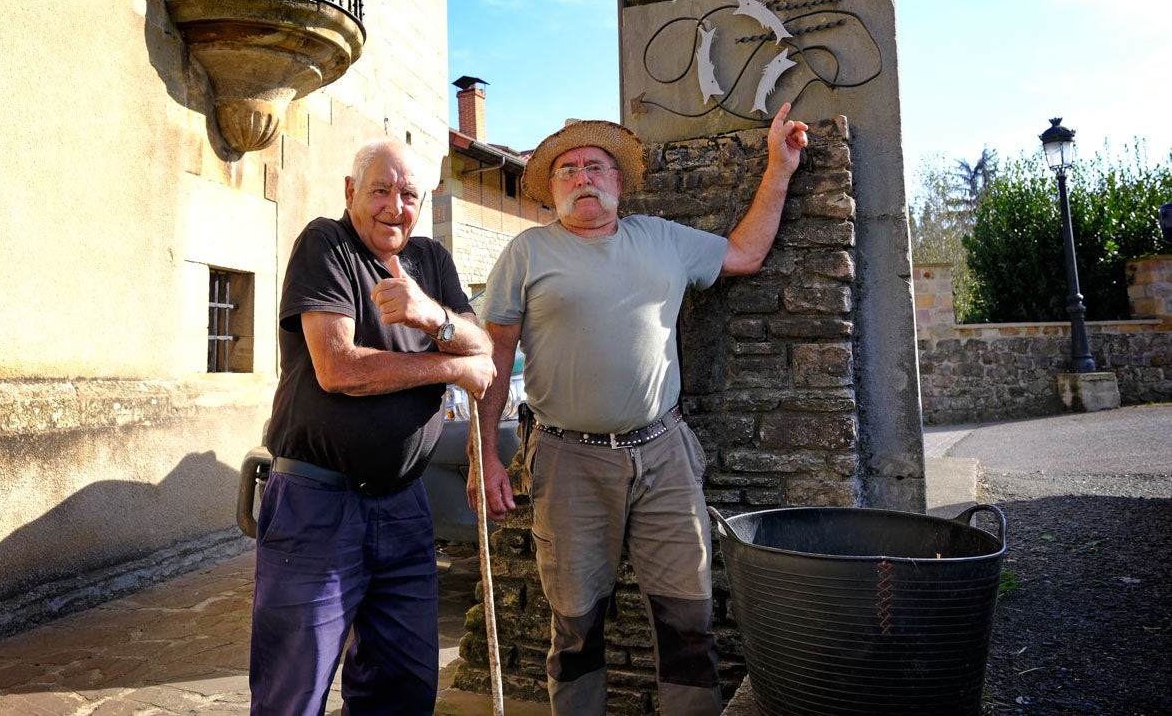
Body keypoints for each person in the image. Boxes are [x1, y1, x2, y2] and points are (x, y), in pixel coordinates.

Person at [468, 104, 809, 715]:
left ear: (619, 182)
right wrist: (484, 455)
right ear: (551, 190)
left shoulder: (662, 240)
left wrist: (778, 168)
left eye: (595, 166)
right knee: (575, 627)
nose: (582, 177)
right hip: (567, 460)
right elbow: (493, 357)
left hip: (665, 454)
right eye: (567, 170)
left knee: (689, 620)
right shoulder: (527, 252)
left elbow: (746, 253)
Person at [250, 138, 496, 716]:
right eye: (380, 190)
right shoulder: (326, 244)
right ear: (350, 193)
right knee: (294, 691)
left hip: (404, 507)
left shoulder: (431, 260)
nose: (395, 205)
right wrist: (452, 365)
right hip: (317, 503)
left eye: (408, 194)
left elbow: (481, 339)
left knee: (404, 686)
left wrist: (430, 315)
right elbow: (338, 370)